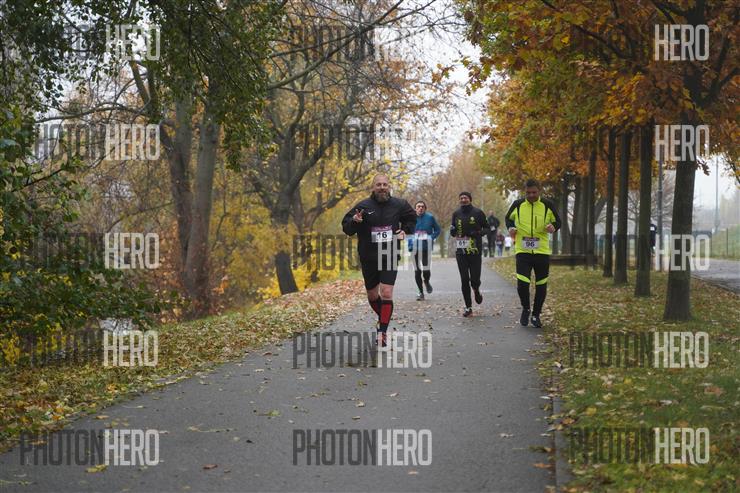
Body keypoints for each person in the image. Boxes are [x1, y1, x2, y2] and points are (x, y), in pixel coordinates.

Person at [342, 174, 416, 350]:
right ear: (373, 187)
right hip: (368, 256)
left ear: (389, 186)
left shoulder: (400, 204)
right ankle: (383, 319)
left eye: (384, 184)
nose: (382, 187)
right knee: (373, 296)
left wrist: (405, 230)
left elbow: (412, 219)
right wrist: (355, 221)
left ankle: (382, 332)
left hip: (390, 254)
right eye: (378, 184)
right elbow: (347, 227)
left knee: (387, 293)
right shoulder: (363, 206)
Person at [504, 179, 561, 328]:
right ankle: (526, 308)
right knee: (523, 283)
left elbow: (558, 221)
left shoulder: (547, 205)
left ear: (539, 191)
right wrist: (511, 228)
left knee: (541, 284)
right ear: (525, 192)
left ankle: (536, 314)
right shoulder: (517, 204)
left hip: (541, 251)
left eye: (534, 192)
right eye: (528, 193)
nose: (531, 195)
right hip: (523, 250)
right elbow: (508, 219)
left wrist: (553, 227)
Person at [450, 192, 490, 317]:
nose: (463, 200)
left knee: (475, 279)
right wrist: (452, 231)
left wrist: (477, 233)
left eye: (465, 198)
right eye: (461, 198)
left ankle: (476, 290)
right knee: (464, 279)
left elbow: (487, 228)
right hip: (461, 251)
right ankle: (468, 307)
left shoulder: (478, 213)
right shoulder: (456, 213)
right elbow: (453, 230)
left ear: (470, 199)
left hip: (474, 250)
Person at [407, 201, 441, 300]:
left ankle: (426, 281)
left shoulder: (430, 217)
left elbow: (438, 230)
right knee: (417, 271)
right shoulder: (410, 218)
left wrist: (431, 237)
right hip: (414, 248)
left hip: (426, 247)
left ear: (425, 208)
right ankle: (420, 292)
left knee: (426, 270)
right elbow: (406, 231)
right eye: (418, 206)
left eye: (422, 207)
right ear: (415, 208)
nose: (420, 208)